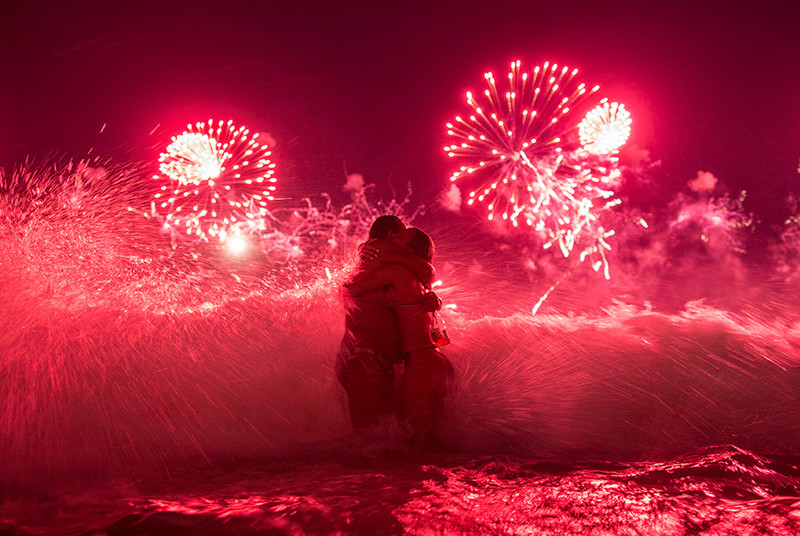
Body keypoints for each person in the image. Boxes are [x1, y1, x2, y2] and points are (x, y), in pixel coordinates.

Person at [345, 227, 453, 447]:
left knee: (422, 446)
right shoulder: (420, 279)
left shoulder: (396, 272)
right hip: (436, 359)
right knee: (433, 439)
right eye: (393, 233)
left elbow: (348, 289)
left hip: (420, 366)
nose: (394, 236)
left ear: (408, 249)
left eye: (400, 236)